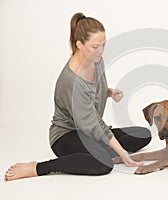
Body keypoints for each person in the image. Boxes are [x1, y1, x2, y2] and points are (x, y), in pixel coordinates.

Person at [4, 12, 151, 181]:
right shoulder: (71, 81)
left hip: (88, 130)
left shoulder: (96, 60)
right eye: (95, 47)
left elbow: (92, 92)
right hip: (67, 135)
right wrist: (124, 154)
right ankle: (38, 168)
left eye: (103, 45)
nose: (101, 51)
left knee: (143, 135)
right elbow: (94, 123)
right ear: (79, 44)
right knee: (103, 164)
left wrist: (108, 92)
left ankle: (95, 150)